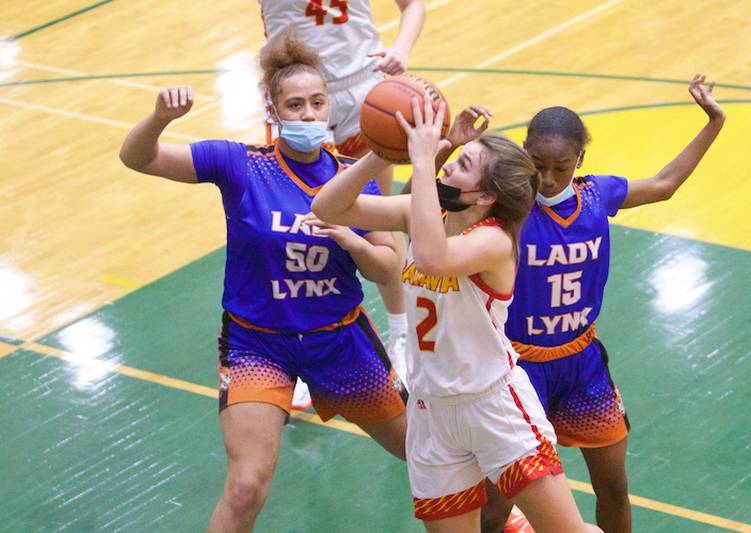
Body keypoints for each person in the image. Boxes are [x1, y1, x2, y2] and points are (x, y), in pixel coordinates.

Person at [119, 30, 408, 532]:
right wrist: (160, 118)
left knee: (429, 455)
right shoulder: (241, 165)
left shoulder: (350, 179)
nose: (308, 114)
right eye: (294, 105)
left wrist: (351, 239)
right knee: (247, 484)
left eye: (317, 103)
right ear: (273, 111)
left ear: (329, 107)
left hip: (339, 341)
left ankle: (507, 517)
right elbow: (137, 158)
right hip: (258, 346)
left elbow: (389, 269)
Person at [312, 94, 601, 533]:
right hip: (431, 412)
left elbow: (432, 258)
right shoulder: (424, 213)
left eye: (462, 165)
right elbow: (327, 208)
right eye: (454, 159)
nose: (448, 165)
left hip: (494, 404)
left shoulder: (495, 240)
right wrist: (382, 152)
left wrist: (425, 161)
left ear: (485, 195)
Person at [476, 74, 726, 533]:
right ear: (523, 155)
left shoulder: (599, 194)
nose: (548, 179)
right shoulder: (507, 204)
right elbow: (423, 205)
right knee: (494, 502)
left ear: (580, 161)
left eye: (561, 167)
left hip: (582, 363)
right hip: (515, 369)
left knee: (612, 487)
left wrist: (714, 121)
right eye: (537, 165)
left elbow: (665, 183)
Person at [260, 0, 427, 398]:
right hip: (297, 93)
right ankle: (297, 348)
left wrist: (401, 49)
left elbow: (412, 5)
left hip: (363, 84)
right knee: (296, 223)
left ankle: (402, 335)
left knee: (382, 219)